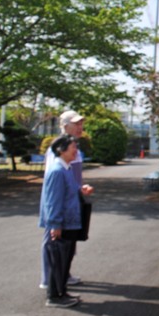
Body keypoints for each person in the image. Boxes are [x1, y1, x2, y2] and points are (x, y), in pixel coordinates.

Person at [40, 110, 93, 290]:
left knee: (70, 240)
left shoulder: (74, 148)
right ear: (65, 126)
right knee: (53, 239)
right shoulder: (57, 148)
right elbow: (53, 180)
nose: (80, 127)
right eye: (76, 124)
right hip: (59, 201)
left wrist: (80, 188)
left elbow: (73, 175)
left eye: (81, 123)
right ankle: (49, 279)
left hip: (73, 199)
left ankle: (63, 274)